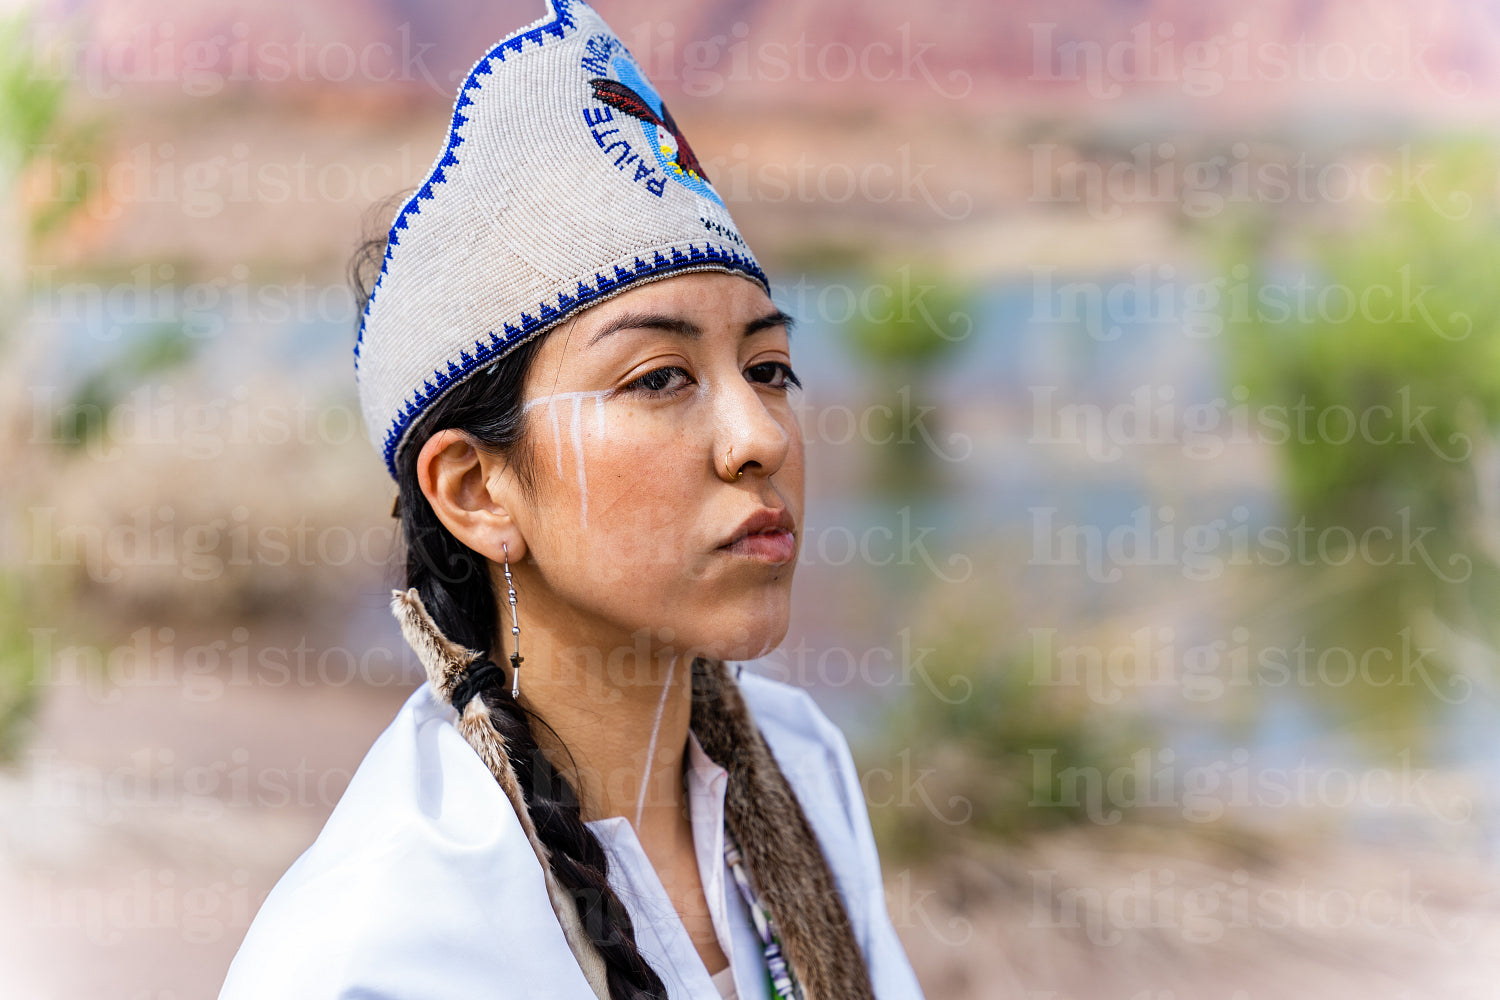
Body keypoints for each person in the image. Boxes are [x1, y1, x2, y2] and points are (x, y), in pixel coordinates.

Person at [219, 2, 926, 998]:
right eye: (659, 378)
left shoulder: (800, 765)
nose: (761, 436)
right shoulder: (379, 947)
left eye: (768, 366)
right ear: (477, 490)